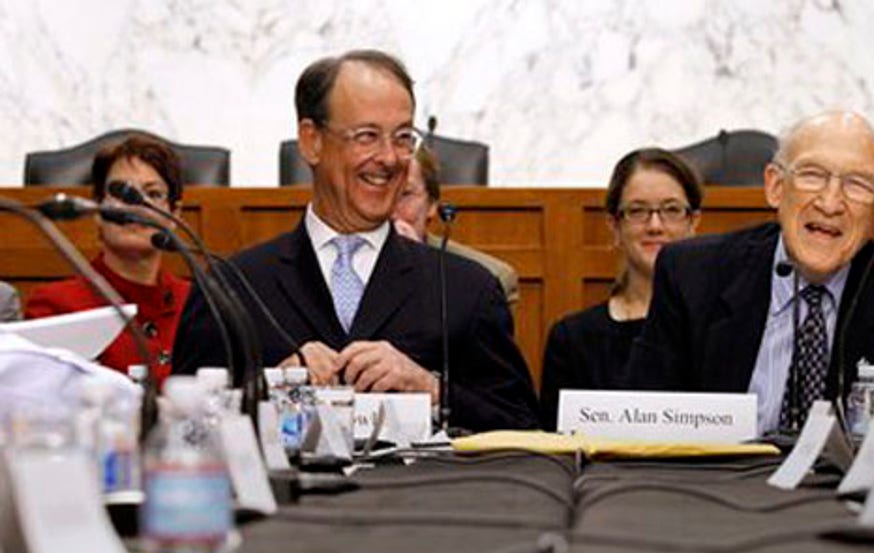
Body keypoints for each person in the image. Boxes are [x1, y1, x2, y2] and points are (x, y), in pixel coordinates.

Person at [172, 50, 538, 432]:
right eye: (367, 136)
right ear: (311, 141)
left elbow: (525, 431)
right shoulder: (232, 286)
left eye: (402, 138)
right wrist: (270, 387)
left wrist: (430, 389)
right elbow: (183, 429)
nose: (389, 158)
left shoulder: (467, 288)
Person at [627, 111, 874, 437]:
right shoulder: (692, 275)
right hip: (716, 483)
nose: (830, 203)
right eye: (812, 175)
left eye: (857, 184)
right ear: (776, 186)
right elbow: (647, 420)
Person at [540, 148, 701, 429]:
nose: (655, 225)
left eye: (672, 210)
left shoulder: (723, 330)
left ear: (693, 223)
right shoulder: (572, 339)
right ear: (614, 226)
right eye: (638, 211)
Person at [24, 135, 191, 383]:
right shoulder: (56, 307)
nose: (134, 207)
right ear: (97, 212)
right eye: (120, 193)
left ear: (173, 216)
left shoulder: (196, 303)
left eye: (153, 194)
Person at [392, 145, 520, 311]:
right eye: (378, 192)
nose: (389, 210)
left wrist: (421, 268)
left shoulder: (491, 280)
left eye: (404, 194)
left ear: (431, 205)